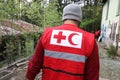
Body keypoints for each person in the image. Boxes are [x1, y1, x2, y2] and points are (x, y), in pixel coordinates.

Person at [26, 4, 99, 80]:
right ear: (79, 19)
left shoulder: (47, 34)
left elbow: (34, 65)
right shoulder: (89, 40)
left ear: (63, 17)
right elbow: (92, 75)